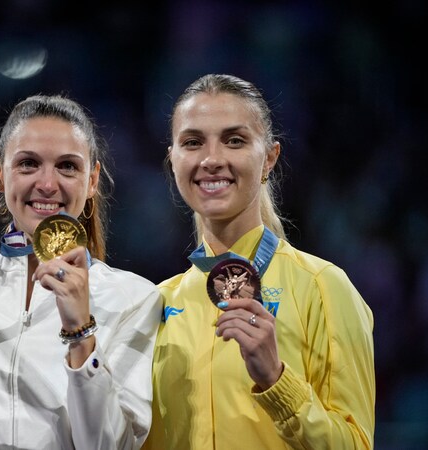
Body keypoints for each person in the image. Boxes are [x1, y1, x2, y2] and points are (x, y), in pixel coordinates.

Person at [143, 73, 376, 449]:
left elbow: (355, 443)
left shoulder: (323, 287)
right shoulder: (154, 303)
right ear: (173, 160)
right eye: (192, 142)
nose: (212, 159)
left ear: (269, 158)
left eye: (235, 141)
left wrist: (276, 379)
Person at [0, 95, 162, 449]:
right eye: (28, 164)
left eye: (67, 166)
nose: (47, 184)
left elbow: (110, 445)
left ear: (92, 179)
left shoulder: (135, 298)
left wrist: (81, 333)